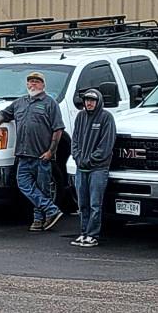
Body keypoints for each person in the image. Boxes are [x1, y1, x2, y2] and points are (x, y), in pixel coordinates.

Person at [0, 71, 67, 232]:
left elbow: (58, 129)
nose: (33, 84)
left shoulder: (50, 103)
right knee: (24, 185)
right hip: (23, 156)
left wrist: (51, 151)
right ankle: (51, 209)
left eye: (36, 82)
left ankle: (39, 220)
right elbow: (3, 114)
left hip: (42, 156)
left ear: (43, 85)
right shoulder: (19, 103)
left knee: (43, 190)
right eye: (30, 82)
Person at [70, 88, 116, 248]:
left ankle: (93, 235)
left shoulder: (106, 118)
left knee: (95, 204)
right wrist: (77, 156)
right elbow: (74, 139)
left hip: (98, 169)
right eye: (87, 100)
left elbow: (106, 145)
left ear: (98, 102)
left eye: (92, 100)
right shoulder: (80, 117)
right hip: (81, 168)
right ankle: (83, 233)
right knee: (82, 204)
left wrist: (91, 159)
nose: (89, 103)